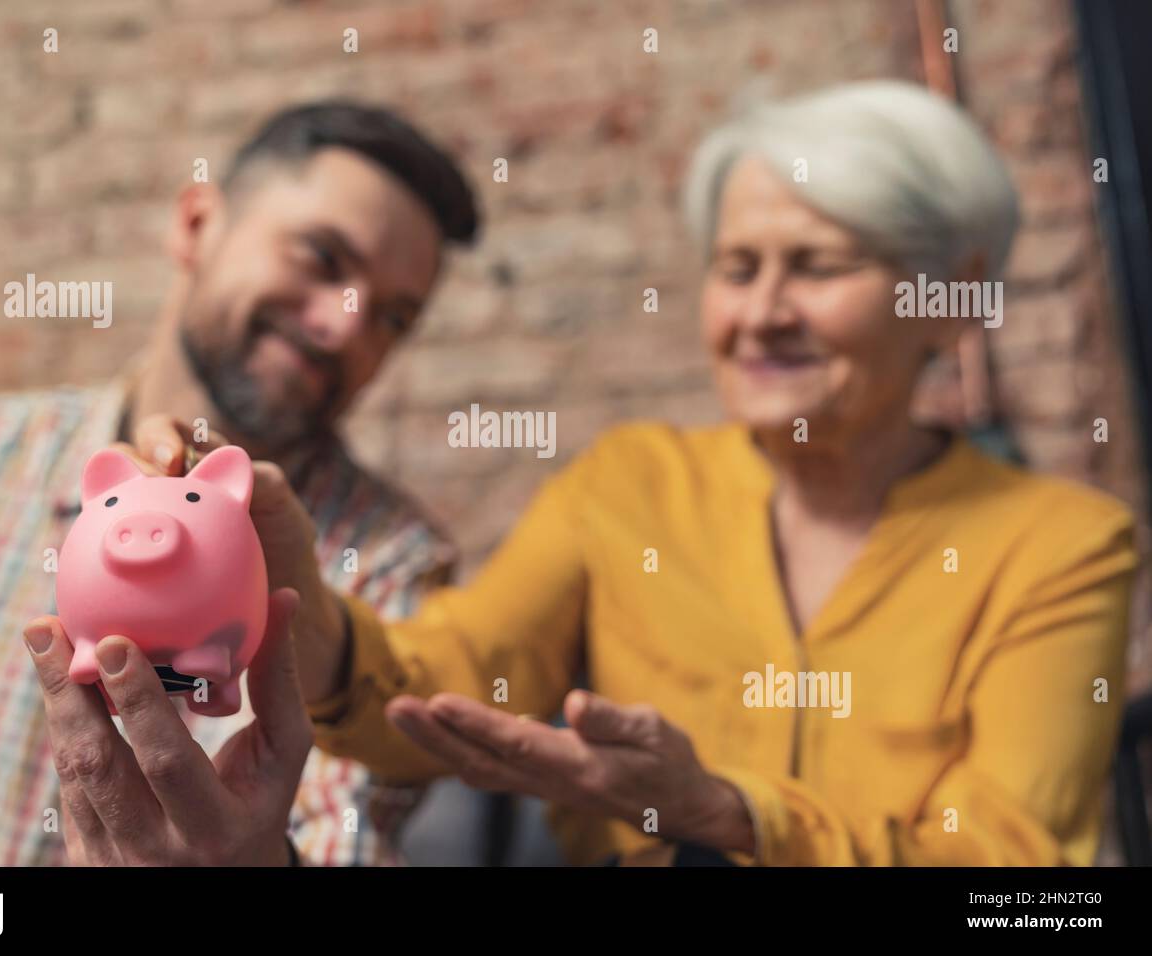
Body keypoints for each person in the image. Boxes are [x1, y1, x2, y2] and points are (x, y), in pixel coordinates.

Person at [138, 80, 1135, 866]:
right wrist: (312, 632)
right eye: (737, 269)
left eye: (818, 267)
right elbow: (464, 668)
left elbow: (1018, 877)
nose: (762, 312)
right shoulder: (629, 486)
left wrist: (728, 813)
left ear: (950, 304)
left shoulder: (1059, 544)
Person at [0, 100, 480, 865]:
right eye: (320, 259)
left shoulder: (392, 569)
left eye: (391, 317)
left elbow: (345, 838)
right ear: (196, 226)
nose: (344, 326)